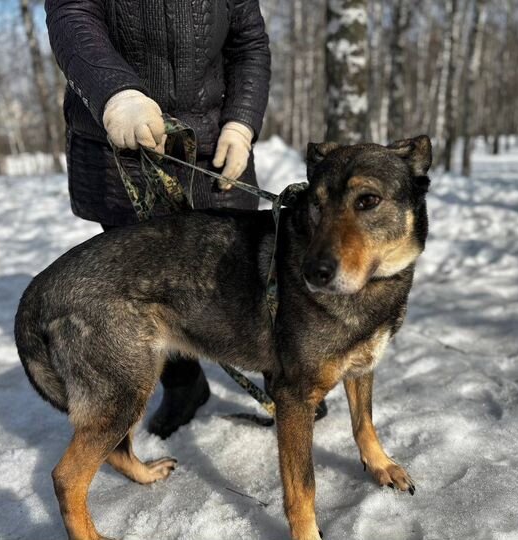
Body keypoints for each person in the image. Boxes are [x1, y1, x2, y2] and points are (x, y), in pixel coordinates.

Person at [46, 0, 326, 438]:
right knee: (146, 284)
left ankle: (286, 378)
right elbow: (72, 18)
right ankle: (184, 386)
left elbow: (248, 43)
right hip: (123, 139)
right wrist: (116, 92)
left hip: (212, 142)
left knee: (241, 272)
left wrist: (242, 123)